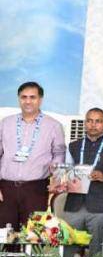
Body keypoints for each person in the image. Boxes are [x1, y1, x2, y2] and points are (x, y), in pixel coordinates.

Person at [56, 108, 103, 257]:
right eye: (90, 120)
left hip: (100, 206)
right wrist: (61, 180)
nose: (93, 125)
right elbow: (64, 172)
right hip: (74, 204)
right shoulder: (73, 146)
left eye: (98, 121)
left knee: (97, 249)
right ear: (85, 123)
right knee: (67, 246)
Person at [0, 82, 65, 229]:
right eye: (24, 97)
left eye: (32, 97)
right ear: (19, 99)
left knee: (33, 235)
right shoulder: (5, 123)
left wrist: (56, 178)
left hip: (36, 189)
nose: (28, 101)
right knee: (4, 236)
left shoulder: (53, 125)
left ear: (40, 99)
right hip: (6, 189)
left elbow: (59, 155)